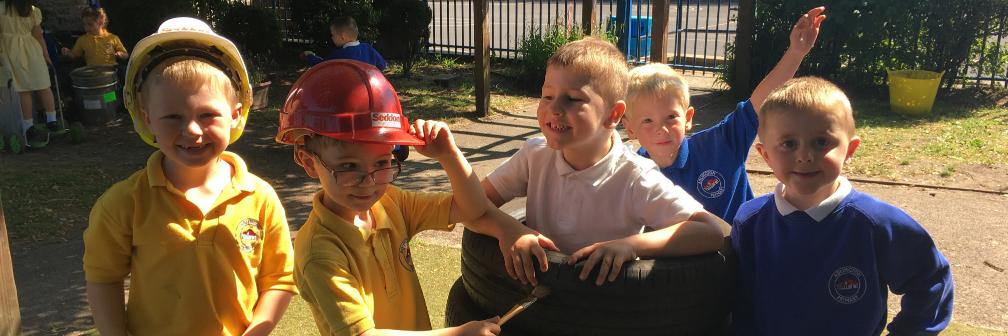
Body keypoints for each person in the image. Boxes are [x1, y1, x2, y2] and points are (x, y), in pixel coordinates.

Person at [83, 17, 297, 336]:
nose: (192, 131)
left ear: (236, 114)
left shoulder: (260, 198)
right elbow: (103, 277)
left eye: (207, 114)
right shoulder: (124, 204)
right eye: (172, 117)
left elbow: (279, 279)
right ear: (147, 119)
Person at [471, 36, 730, 287]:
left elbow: (709, 232)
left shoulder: (635, 177)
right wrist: (508, 229)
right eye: (547, 96)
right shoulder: (534, 155)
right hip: (543, 301)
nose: (554, 108)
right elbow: (467, 206)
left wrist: (630, 245)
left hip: (608, 308)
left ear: (614, 114)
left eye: (572, 98)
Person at [276, 60, 503, 336]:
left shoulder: (390, 204)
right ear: (309, 163)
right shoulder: (319, 251)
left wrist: (449, 155)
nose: (369, 182)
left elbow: (472, 208)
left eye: (382, 162)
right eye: (349, 166)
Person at [731, 77, 954, 335]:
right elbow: (742, 302)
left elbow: (930, 278)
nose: (804, 155)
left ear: (850, 149)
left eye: (821, 142)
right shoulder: (750, 221)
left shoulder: (876, 223)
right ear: (765, 154)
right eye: (789, 143)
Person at [621, 7, 826, 222]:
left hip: (741, 252)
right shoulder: (632, 172)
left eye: (671, 117)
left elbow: (761, 103)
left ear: (688, 117)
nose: (661, 129)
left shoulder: (720, 144)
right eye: (647, 120)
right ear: (630, 128)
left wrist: (796, 52)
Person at [0, 0, 61, 142]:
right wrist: (45, 56)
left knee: (25, 89)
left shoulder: (6, 9)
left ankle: (30, 126)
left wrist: (46, 56)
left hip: (12, 51)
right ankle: (51, 120)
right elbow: (38, 36)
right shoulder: (31, 10)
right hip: (31, 50)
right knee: (43, 85)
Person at [300, 16, 387, 70]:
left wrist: (310, 56)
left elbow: (321, 66)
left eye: (333, 35)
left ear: (342, 37)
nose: (331, 37)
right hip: (367, 92)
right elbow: (382, 65)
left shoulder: (339, 55)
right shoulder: (368, 48)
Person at [60, 5, 128, 66]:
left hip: (111, 73)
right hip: (93, 75)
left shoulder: (112, 38)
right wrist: (68, 52)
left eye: (90, 24)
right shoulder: (82, 40)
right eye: (84, 24)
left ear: (101, 22)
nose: (86, 28)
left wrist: (120, 54)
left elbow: (126, 55)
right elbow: (74, 55)